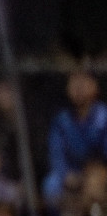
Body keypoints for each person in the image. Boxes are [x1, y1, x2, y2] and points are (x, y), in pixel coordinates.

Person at [44, 71, 107, 204]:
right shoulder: (61, 121)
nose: (78, 87)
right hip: (72, 174)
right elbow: (56, 156)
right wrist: (68, 176)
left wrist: (98, 173)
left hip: (99, 173)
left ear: (95, 86)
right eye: (74, 82)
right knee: (51, 184)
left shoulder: (104, 117)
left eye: (83, 81)